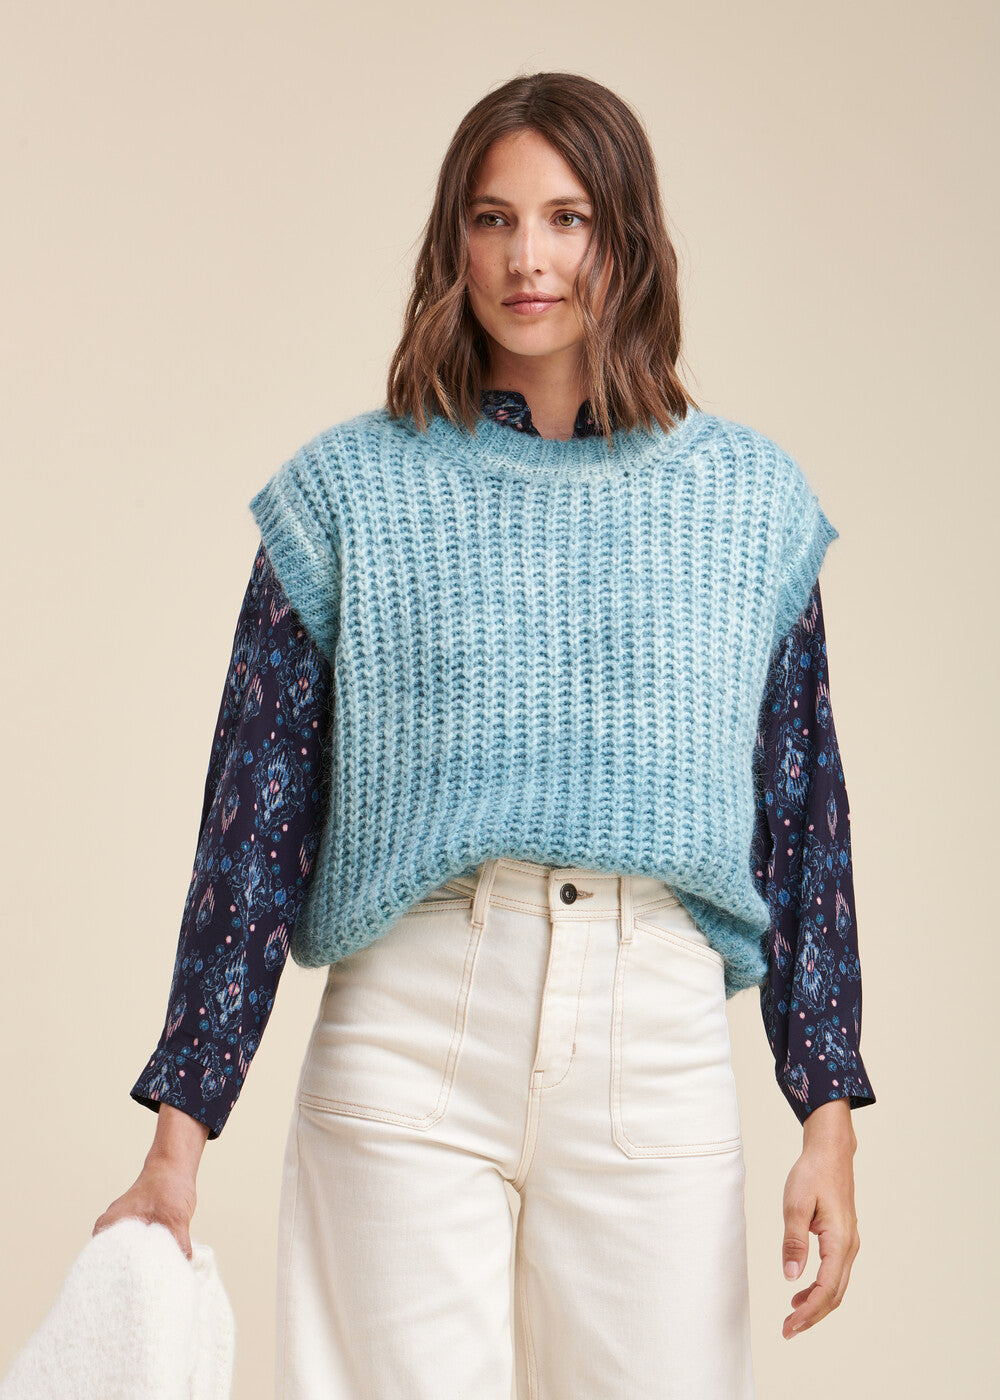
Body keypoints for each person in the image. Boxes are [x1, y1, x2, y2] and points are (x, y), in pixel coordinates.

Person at [94, 71, 875, 1398]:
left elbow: (802, 828)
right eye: (493, 218)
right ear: (451, 241)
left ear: (627, 237)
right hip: (411, 1022)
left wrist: (828, 1119)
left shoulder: (748, 502)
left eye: (568, 219)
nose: (528, 260)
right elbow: (254, 826)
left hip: (651, 1031)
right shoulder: (349, 493)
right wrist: (180, 1140)